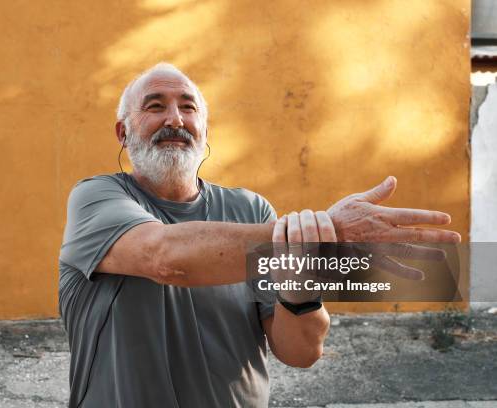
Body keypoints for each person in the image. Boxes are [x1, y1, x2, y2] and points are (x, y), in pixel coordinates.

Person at [58, 63, 461, 408]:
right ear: (122, 133)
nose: (175, 120)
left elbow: (300, 352)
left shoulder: (250, 211)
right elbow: (165, 258)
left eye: (188, 107)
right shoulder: (96, 198)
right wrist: (327, 229)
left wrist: (300, 287)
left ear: (204, 130)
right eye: (155, 106)